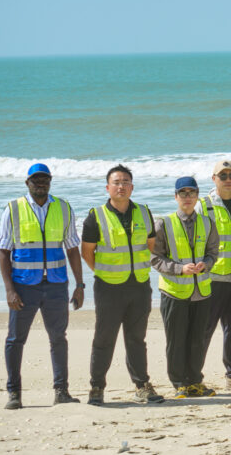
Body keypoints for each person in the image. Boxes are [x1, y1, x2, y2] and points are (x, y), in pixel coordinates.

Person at [0, 163, 83, 409]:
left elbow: (72, 249)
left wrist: (79, 285)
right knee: (15, 339)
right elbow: (3, 251)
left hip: (56, 285)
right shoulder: (13, 209)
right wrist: (9, 289)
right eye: (36, 180)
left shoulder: (64, 208)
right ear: (27, 183)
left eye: (45, 179)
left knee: (58, 338)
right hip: (24, 287)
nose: (40, 183)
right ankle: (14, 394)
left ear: (50, 181)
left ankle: (61, 391)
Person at [80, 164, 163, 406]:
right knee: (104, 338)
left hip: (139, 285)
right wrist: (106, 272)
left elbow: (149, 244)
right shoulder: (96, 216)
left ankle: (142, 386)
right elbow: (87, 252)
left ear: (132, 187)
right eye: (116, 182)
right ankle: (97, 387)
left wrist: (133, 269)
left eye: (126, 182)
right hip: (109, 287)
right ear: (108, 188)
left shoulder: (144, 212)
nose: (121, 186)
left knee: (136, 338)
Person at [150, 176, 219, 398]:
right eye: (183, 193)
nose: (187, 198)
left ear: (197, 196)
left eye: (191, 193)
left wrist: (206, 264)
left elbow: (213, 253)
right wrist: (180, 269)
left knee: (198, 339)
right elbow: (154, 258)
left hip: (201, 292)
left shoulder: (208, 222)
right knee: (176, 339)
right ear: (176, 197)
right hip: (174, 291)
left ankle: (195, 381)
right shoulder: (164, 223)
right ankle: (179, 382)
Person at [197, 160, 231, 389]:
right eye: (223, 175)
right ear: (214, 179)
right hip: (212, 279)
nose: (228, 178)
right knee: (204, 329)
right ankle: (193, 374)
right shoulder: (204, 205)